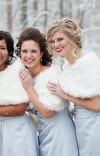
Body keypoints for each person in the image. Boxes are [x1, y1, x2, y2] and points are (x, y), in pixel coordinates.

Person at [46, 18, 100, 156]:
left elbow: (96, 105)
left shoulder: (89, 63)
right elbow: (83, 98)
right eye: (52, 41)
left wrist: (65, 95)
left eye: (60, 39)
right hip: (82, 124)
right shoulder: (67, 66)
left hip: (96, 126)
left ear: (72, 38)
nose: (55, 44)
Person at [16, 27, 79, 156]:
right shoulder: (27, 76)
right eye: (24, 51)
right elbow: (38, 106)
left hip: (60, 134)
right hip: (44, 134)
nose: (28, 56)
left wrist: (29, 88)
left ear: (41, 53)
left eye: (34, 51)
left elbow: (48, 112)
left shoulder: (51, 74)